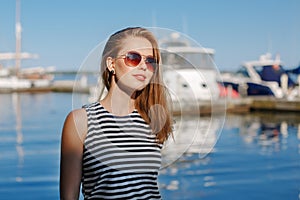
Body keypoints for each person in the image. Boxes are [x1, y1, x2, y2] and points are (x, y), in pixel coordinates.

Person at [60, 27, 173, 200]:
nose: (144, 66)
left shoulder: (153, 120)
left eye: (150, 61)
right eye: (133, 58)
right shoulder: (81, 121)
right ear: (111, 64)